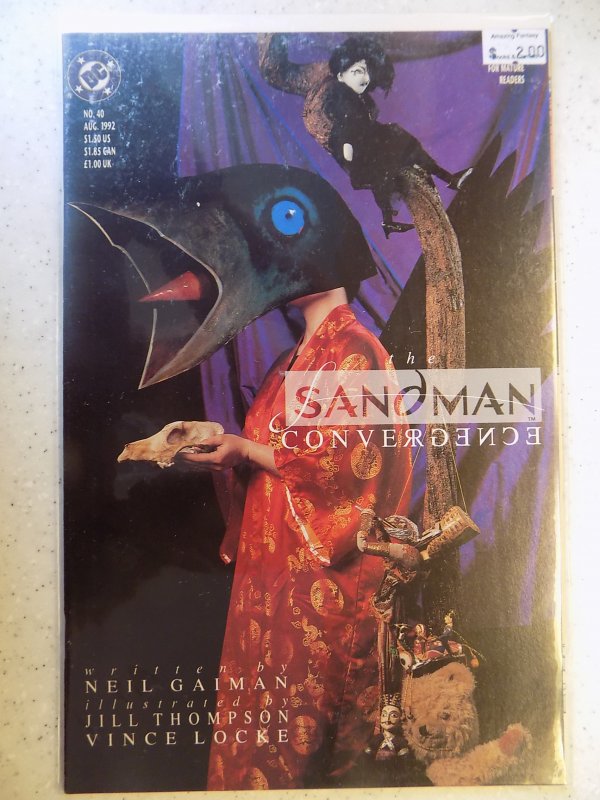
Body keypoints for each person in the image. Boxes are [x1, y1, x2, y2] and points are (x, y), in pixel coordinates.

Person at [180, 286, 412, 790]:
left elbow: (349, 466)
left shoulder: (357, 349)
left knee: (298, 737)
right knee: (252, 720)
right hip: (268, 568)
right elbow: (268, 452)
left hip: (319, 577)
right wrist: (223, 444)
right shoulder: (288, 360)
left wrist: (246, 450)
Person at [259, 35, 472, 238]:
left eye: (367, 74)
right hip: (356, 150)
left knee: (398, 160)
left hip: (368, 146)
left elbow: (358, 126)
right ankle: (440, 184)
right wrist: (348, 149)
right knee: (392, 163)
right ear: (341, 74)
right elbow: (346, 128)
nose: (365, 78)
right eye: (359, 72)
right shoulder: (335, 92)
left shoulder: (362, 102)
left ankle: (436, 187)